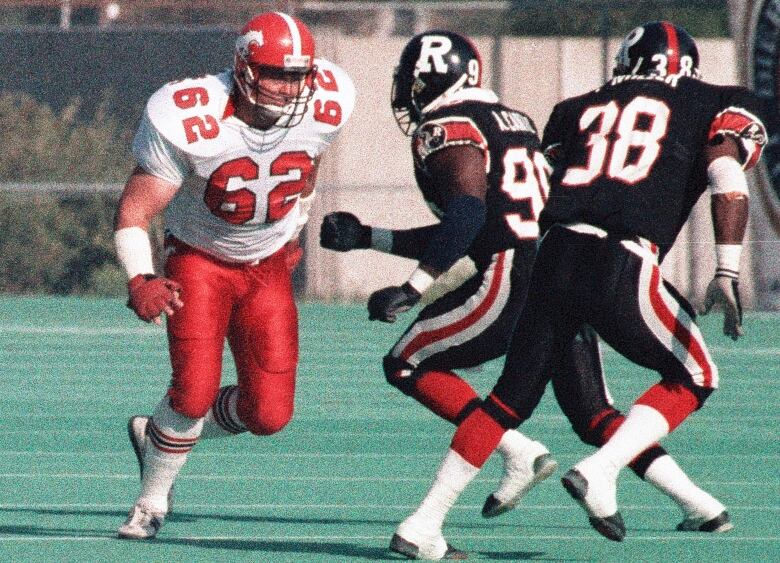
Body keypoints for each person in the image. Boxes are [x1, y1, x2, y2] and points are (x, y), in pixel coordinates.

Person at [320, 28, 741, 560]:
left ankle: (494, 470)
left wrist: (415, 285)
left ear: (429, 81)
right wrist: (369, 238)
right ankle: (700, 503)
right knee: (592, 413)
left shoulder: (449, 126)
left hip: (517, 275)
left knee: (410, 364)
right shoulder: (515, 122)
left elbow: (469, 218)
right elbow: (479, 222)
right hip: (560, 262)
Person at [112, 11, 355, 540]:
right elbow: (133, 212)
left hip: (266, 265)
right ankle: (151, 502)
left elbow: (303, 172)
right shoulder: (190, 114)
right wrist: (140, 278)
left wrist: (294, 233)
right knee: (194, 393)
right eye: (276, 74)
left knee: (268, 415)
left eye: (299, 75)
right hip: (199, 259)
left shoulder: (326, 102)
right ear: (244, 67)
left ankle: (154, 435)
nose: (290, 89)